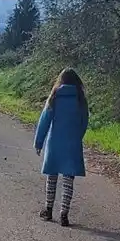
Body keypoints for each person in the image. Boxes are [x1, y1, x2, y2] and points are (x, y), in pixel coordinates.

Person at [35, 68, 90, 227]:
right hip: (72, 143)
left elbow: (44, 121)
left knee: (51, 178)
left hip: (54, 143)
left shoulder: (54, 97)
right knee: (68, 180)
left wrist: (39, 142)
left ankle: (48, 209)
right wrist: (77, 136)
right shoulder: (80, 99)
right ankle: (64, 213)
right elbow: (84, 122)